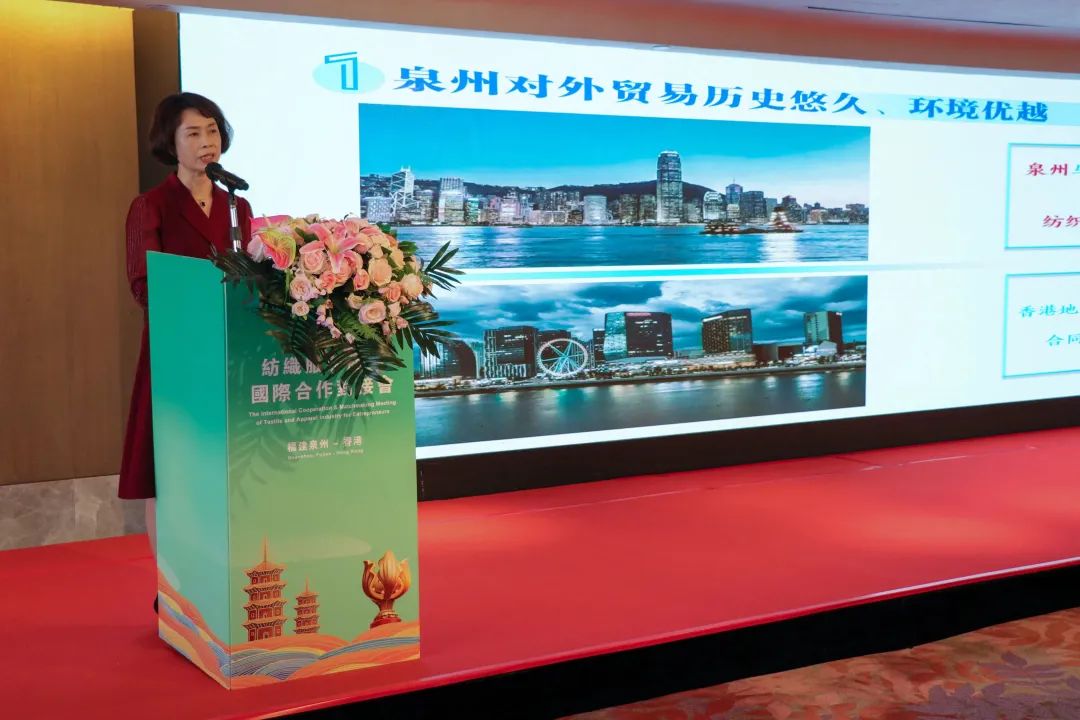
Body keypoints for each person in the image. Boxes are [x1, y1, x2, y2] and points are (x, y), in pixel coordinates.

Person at [119, 93, 253, 564]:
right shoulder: (151, 205)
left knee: (222, 469)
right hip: (176, 355)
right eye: (192, 133)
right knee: (168, 472)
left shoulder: (237, 206)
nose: (206, 142)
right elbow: (144, 285)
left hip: (227, 355)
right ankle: (171, 584)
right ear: (170, 143)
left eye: (212, 130)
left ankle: (217, 575)